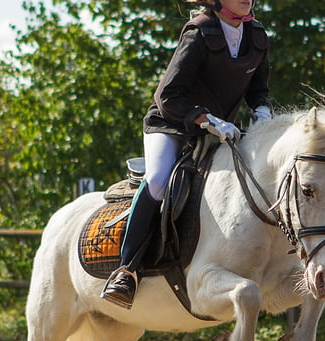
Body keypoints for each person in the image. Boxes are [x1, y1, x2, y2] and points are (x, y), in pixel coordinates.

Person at [101, 0, 273, 309]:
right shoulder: (199, 32)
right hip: (170, 125)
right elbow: (168, 96)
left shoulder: (257, 36)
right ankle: (126, 271)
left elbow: (258, 89)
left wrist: (262, 112)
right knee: (157, 181)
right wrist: (207, 119)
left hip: (220, 131)